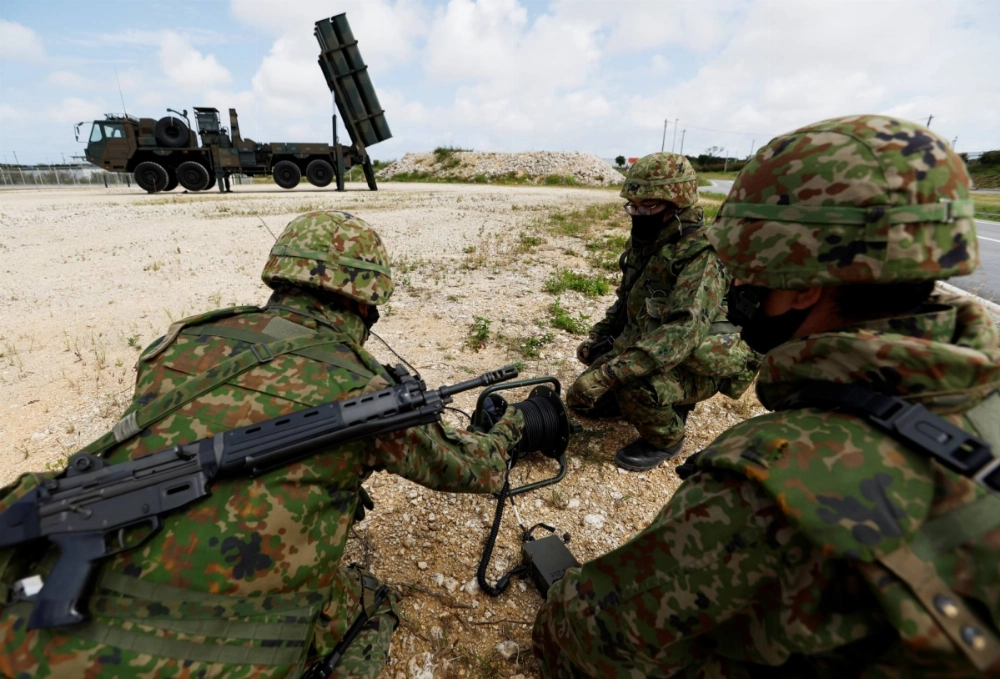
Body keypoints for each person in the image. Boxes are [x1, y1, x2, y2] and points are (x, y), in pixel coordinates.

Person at [534, 115, 1000, 677]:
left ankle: (666, 427)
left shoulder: (777, 472)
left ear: (802, 285)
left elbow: (586, 634)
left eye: (749, 270)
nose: (740, 286)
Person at [0, 211, 527, 679]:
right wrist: (513, 426)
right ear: (368, 304)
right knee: (370, 601)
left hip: (28, 646)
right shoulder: (366, 393)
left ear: (279, 275)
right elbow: (475, 470)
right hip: (190, 655)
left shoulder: (180, 341)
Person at [567, 151, 758, 471]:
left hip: (699, 357)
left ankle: (667, 438)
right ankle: (662, 398)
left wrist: (611, 373)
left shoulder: (702, 254)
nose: (638, 214)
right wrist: (599, 337)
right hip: (658, 344)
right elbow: (627, 299)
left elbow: (684, 332)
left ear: (678, 204)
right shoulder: (649, 243)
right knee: (583, 400)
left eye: (649, 207)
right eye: (634, 206)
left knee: (630, 385)